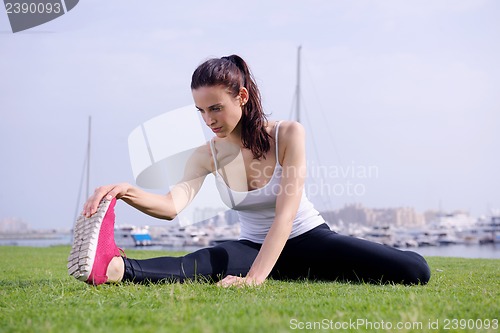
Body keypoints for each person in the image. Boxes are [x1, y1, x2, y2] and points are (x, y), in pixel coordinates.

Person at [67, 55, 431, 287]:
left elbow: (286, 217)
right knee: (201, 261)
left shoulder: (288, 134)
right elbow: (171, 205)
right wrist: (125, 191)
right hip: (252, 247)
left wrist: (255, 280)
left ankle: (300, 268)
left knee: (415, 271)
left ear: (241, 97)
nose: (209, 120)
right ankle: (115, 270)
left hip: (309, 239)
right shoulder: (205, 155)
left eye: (216, 108)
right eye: (201, 111)